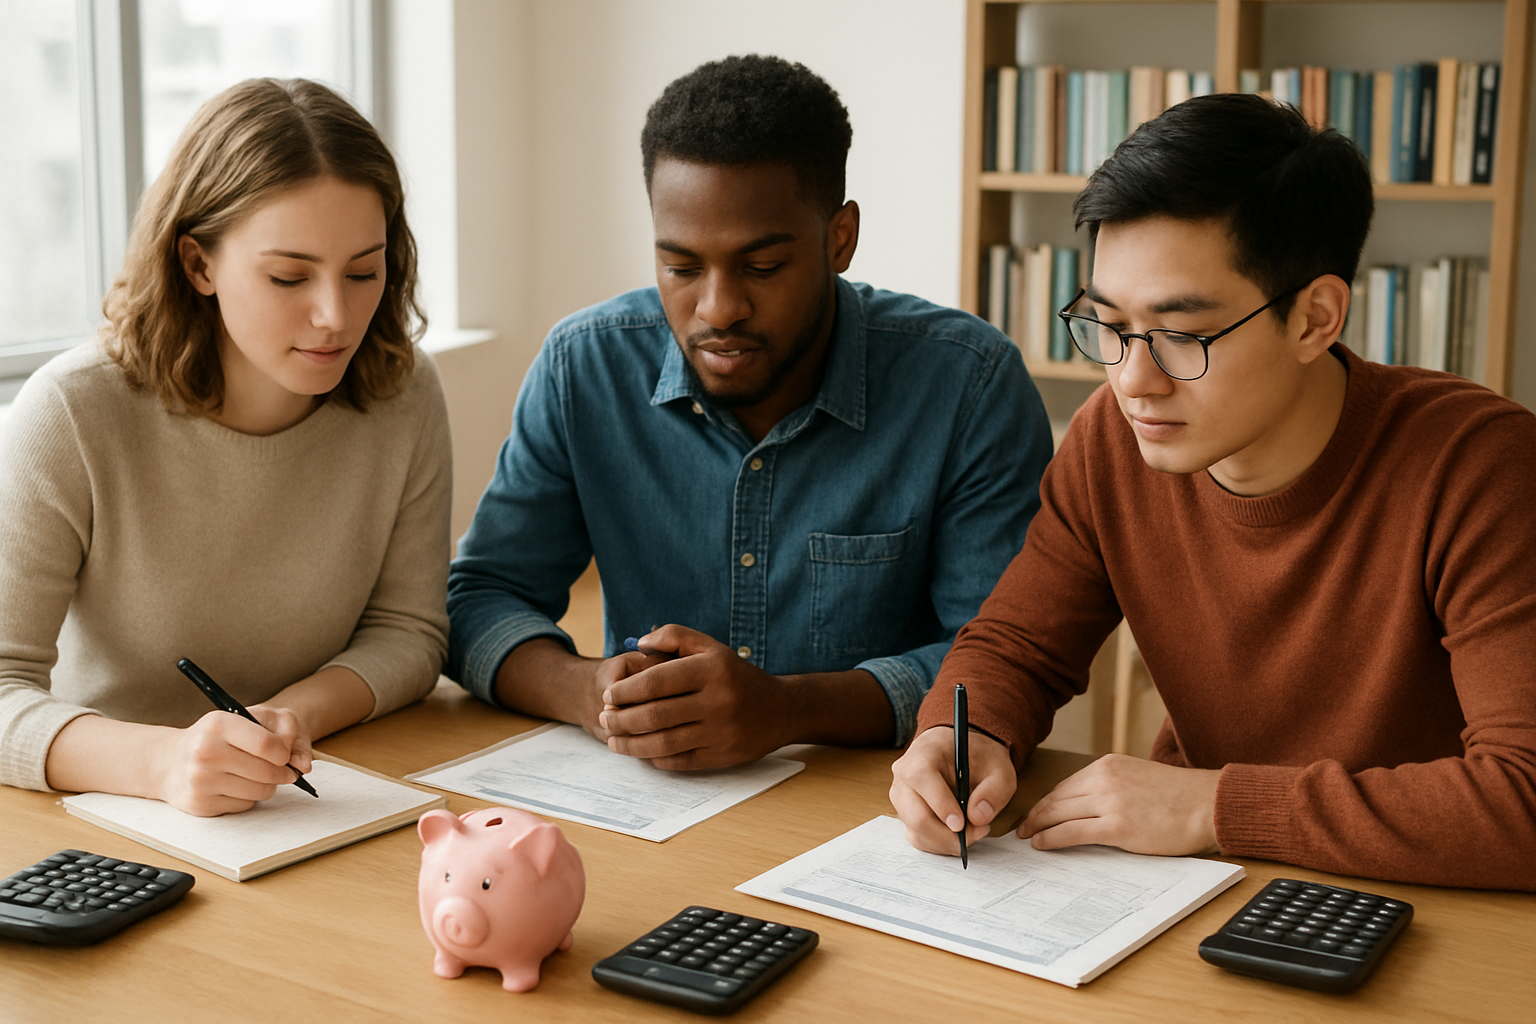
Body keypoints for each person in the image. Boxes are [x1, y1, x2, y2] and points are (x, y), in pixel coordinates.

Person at [890, 93, 1536, 891]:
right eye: (1109, 325)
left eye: (1182, 335)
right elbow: (1017, 645)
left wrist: (1216, 807)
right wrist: (966, 731)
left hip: (1422, 901)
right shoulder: (1112, 440)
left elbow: (1525, 800)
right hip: (1192, 884)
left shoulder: (1483, 468)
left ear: (1314, 318)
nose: (1132, 381)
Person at [448, 55, 1051, 770]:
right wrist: (589, 691)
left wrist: (787, 709)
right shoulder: (585, 367)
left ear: (839, 239)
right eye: (681, 267)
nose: (719, 308)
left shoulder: (967, 384)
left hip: (878, 809)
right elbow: (479, 597)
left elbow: (1005, 657)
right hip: (648, 806)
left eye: (761, 268)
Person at [0, 79, 451, 816]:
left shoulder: (402, 394)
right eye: (288, 276)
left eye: (364, 271)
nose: (336, 315)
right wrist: (163, 761)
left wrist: (280, 721)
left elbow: (409, 631)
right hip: (106, 812)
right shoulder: (71, 413)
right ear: (197, 264)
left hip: (299, 793)